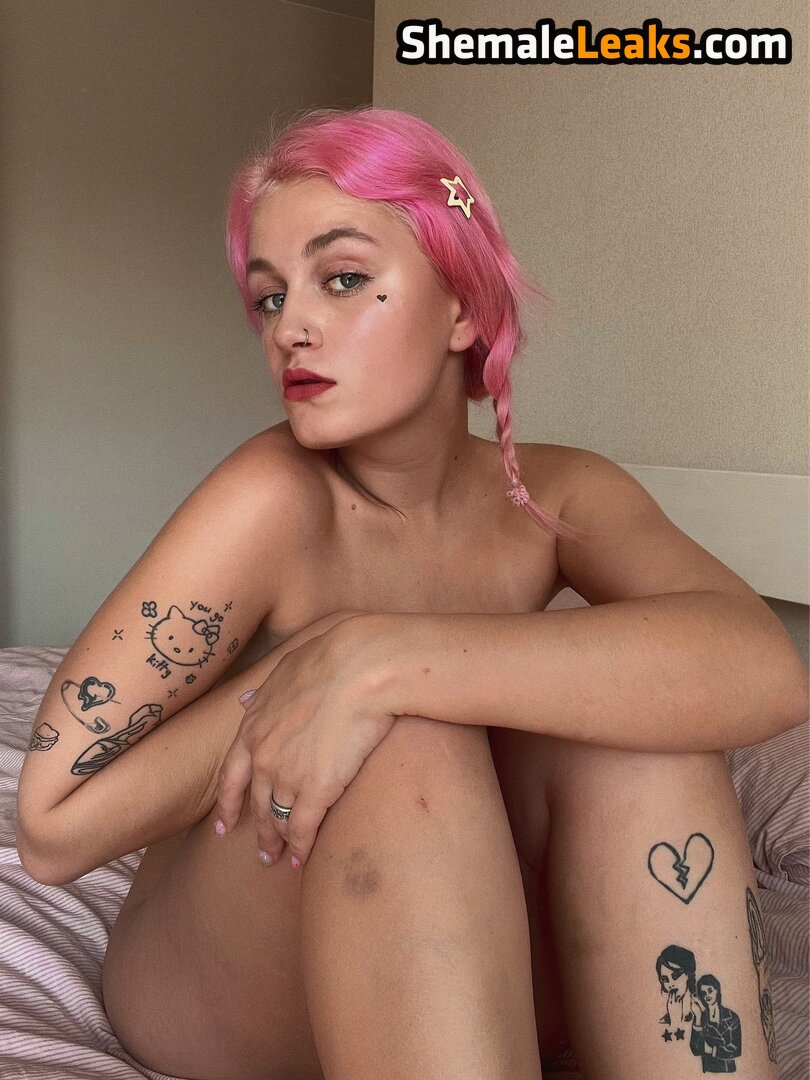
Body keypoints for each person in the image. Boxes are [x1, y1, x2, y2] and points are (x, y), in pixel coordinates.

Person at [17, 106, 803, 1080]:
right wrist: (326, 672)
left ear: (461, 307)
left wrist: (382, 656)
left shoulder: (557, 494)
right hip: (222, 980)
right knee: (402, 738)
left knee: (640, 733)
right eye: (269, 297)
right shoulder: (270, 496)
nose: (290, 328)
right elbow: (52, 828)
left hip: (467, 952)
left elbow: (763, 668)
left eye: (343, 279)